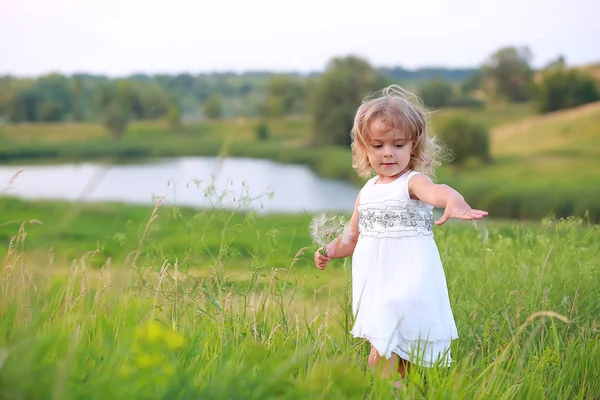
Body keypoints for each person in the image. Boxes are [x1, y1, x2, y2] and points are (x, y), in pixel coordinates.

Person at [314, 85, 488, 384]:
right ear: (364, 149)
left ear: (413, 146)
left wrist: (453, 200)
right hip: (376, 285)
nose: (388, 153)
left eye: (398, 144)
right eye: (378, 145)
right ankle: (399, 390)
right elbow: (351, 237)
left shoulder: (413, 182)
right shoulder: (367, 191)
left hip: (408, 282)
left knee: (383, 353)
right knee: (394, 356)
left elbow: (437, 191)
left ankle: (390, 390)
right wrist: (329, 249)